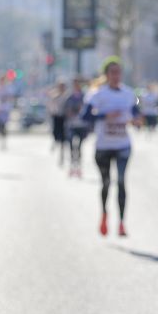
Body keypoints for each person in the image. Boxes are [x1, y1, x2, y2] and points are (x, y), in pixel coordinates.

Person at [86, 57, 140, 236]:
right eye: (112, 72)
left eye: (118, 72)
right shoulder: (98, 94)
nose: (116, 76)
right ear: (107, 75)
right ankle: (104, 214)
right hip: (103, 146)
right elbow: (86, 115)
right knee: (106, 183)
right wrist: (104, 116)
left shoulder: (128, 93)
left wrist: (137, 121)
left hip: (123, 145)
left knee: (122, 181)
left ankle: (122, 222)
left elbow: (136, 114)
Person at [64, 76, 89, 178]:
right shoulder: (69, 97)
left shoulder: (85, 97)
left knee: (79, 148)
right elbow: (65, 111)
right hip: (72, 125)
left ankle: (78, 167)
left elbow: (88, 111)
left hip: (82, 126)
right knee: (71, 147)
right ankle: (71, 167)